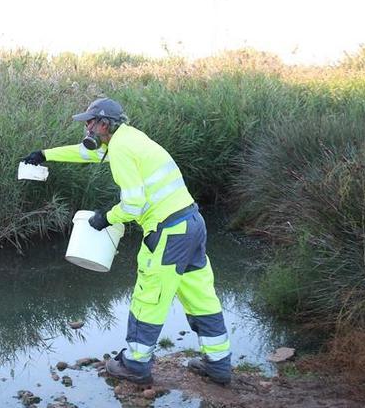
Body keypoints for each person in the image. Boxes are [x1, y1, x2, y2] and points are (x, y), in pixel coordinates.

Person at [22, 97, 232, 386]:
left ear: (104, 124)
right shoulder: (130, 138)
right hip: (192, 223)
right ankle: (219, 365)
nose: (86, 129)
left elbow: (133, 205)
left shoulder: (120, 148)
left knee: (149, 298)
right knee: (201, 297)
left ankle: (135, 364)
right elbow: (89, 155)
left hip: (168, 232)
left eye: (90, 123)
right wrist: (45, 154)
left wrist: (105, 218)